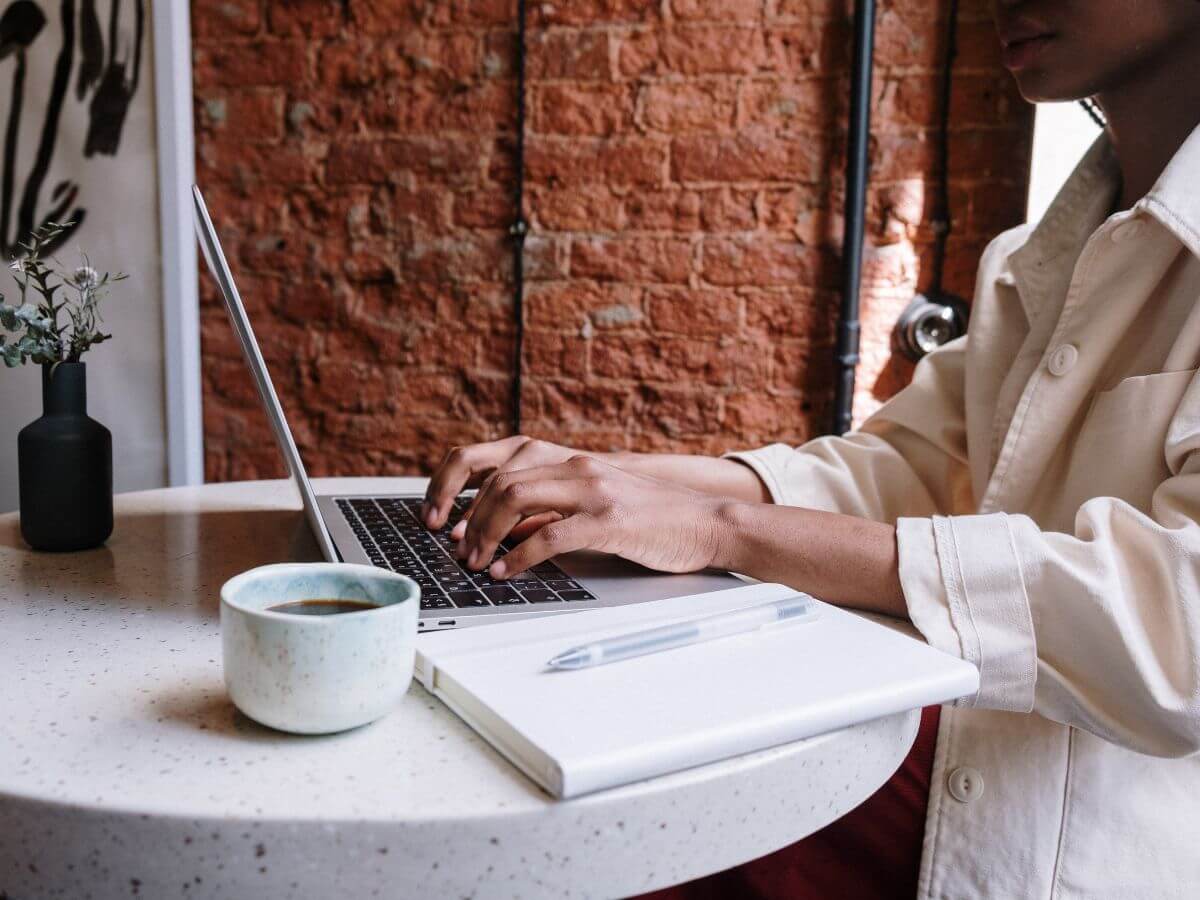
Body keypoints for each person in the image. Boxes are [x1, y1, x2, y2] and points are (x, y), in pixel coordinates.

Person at [421, 1, 1200, 896]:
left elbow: (1179, 636)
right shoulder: (1034, 258)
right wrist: (613, 480)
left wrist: (723, 532)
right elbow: (897, 469)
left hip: (1070, 844)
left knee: (582, 837)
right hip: (956, 752)